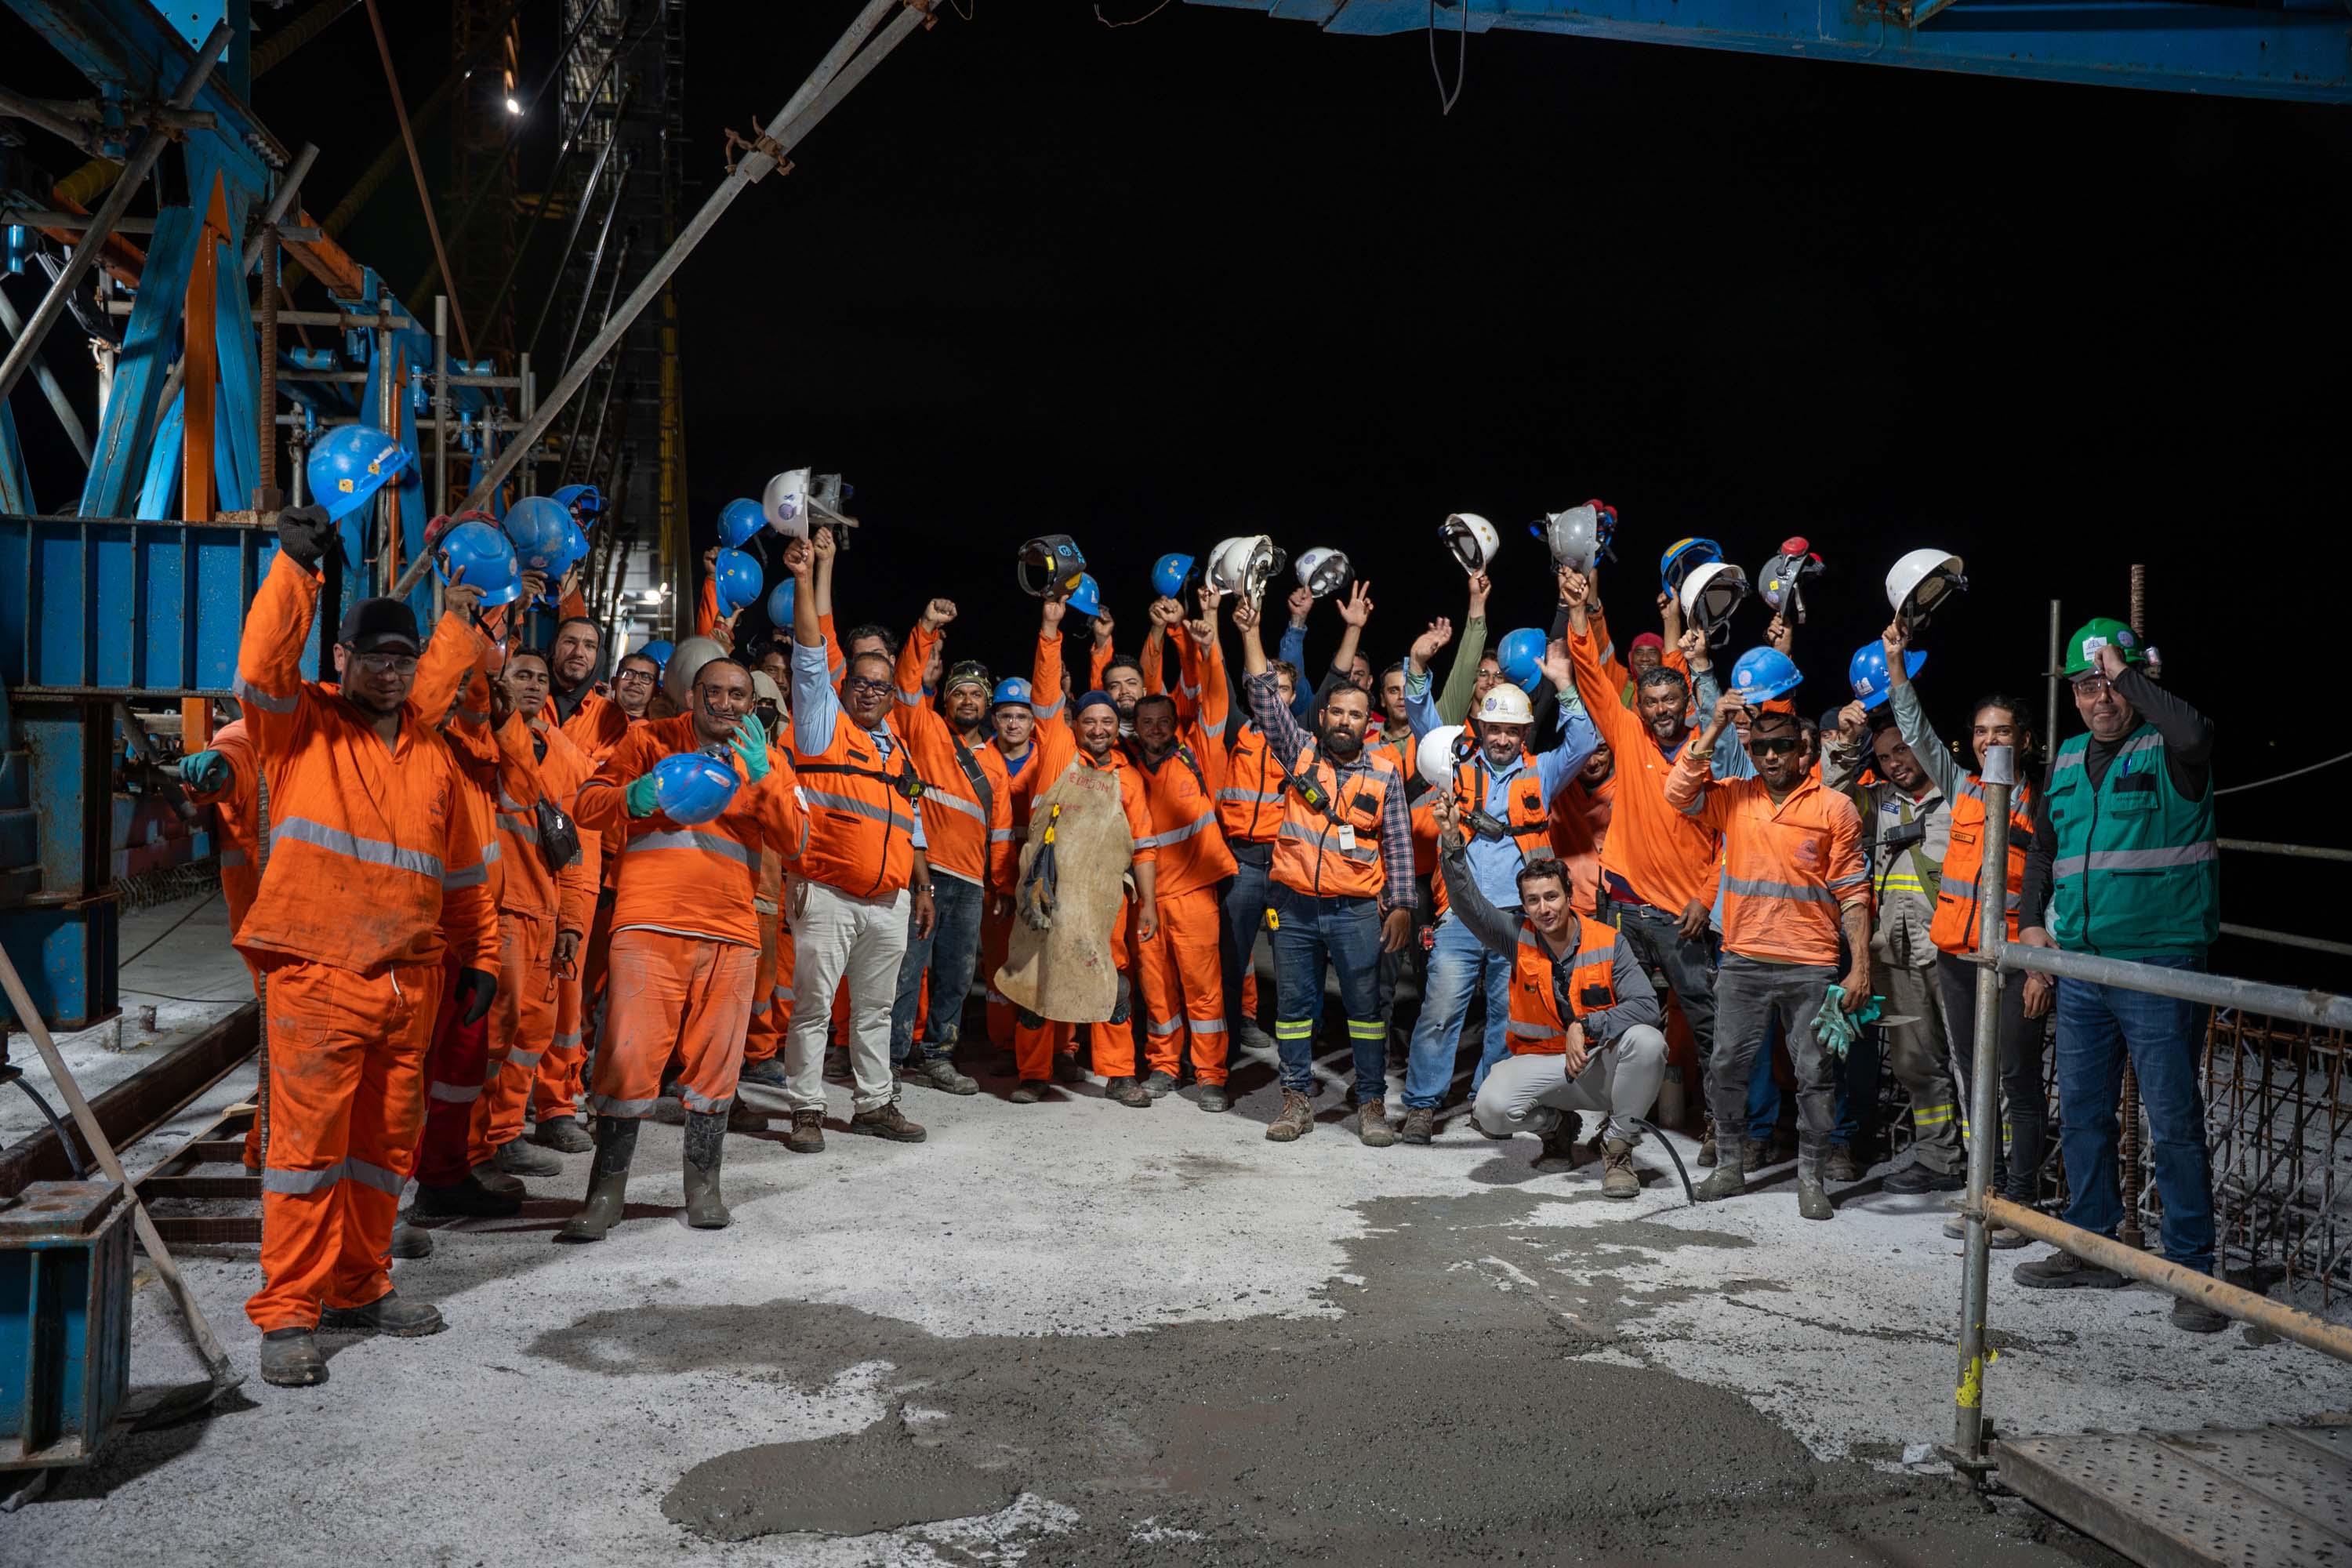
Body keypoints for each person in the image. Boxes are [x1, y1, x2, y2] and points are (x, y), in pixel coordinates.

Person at [231, 506, 499, 1388]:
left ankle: (359, 1282)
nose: (389, 671)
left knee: (383, 1148)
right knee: (305, 1156)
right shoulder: (299, 725)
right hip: (318, 970)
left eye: (402, 658)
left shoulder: (433, 755)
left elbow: (462, 873)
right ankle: (288, 1313)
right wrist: (293, 571)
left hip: (407, 982)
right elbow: (261, 665)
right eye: (374, 656)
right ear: (342, 660)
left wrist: (480, 959)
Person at [2010, 619, 2223, 1334]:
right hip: (2082, 967)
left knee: (2172, 1120)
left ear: (2133, 682)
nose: (2098, 697)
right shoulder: (2068, 759)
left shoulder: (2170, 748)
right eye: (2085, 684)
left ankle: (2195, 1273)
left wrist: (2128, 670)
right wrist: (2032, 924)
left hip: (2161, 965)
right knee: (2086, 1113)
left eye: (2108, 682)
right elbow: (2043, 853)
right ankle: (2091, 1243)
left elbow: (2198, 734)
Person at [563, 650, 805, 1238]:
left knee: (717, 1065)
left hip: (729, 932)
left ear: (752, 705)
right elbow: (587, 806)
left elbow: (796, 840)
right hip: (649, 924)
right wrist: (633, 798)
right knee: (627, 1057)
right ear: (693, 697)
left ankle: (704, 1188)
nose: (725, 704)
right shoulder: (648, 742)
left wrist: (767, 776)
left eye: (738, 696)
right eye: (714, 692)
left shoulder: (765, 760)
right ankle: (605, 1196)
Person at [1668, 692, 1870, 1221]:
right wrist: (1713, 725)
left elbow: (1853, 891)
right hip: (1743, 961)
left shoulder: (1835, 807)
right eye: (1761, 748)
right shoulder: (1735, 797)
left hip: (1810, 965)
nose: (1771, 757)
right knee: (1726, 1067)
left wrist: (1860, 967)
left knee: (1815, 1074)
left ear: (1805, 749)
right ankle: (1730, 1166)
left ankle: (1811, 1176)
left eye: (1782, 746)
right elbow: (1678, 792)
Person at [1396, 631, 1601, 1144]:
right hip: (1463, 916)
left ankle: (1488, 1101)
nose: (1504, 738)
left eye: (1514, 730)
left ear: (1525, 732)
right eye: (1496, 728)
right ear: (1481, 726)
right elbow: (1423, 724)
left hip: (1521, 920)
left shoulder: (1543, 772)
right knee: (1441, 1011)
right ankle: (1422, 1106)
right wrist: (1418, 666)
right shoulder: (1455, 767)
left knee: (1508, 1019)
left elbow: (1586, 739)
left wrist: (1564, 685)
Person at [1881, 623, 2044, 1246]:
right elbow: (1918, 734)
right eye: (1981, 731)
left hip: (2013, 960)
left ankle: (2022, 1204)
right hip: (1959, 957)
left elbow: (2047, 890)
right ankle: (1988, 1195)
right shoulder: (1965, 788)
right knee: (1976, 1079)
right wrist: (1898, 668)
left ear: (2023, 740)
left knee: (2017, 1082)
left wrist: (2037, 968)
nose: (1990, 740)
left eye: (2002, 731)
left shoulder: (2044, 799)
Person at [1234, 590, 1415, 1145]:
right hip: (1293, 907)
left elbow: (1399, 845)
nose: (1343, 719)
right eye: (1336, 710)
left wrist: (1403, 905)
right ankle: (1296, 1100)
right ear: (1325, 715)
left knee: (1364, 1010)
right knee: (1292, 1009)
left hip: (1357, 910)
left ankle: (1371, 1104)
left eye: (1355, 714)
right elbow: (1266, 700)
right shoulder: (1301, 753)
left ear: (1369, 722)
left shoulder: (1384, 775)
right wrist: (1249, 633)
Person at [1561, 570, 1725, 1156]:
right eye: (1650, 699)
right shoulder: (1626, 733)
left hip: (1684, 916)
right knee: (1609, 1016)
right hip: (1623, 910)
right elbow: (1589, 675)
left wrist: (1705, 898)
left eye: (1669, 699)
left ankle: (1719, 1129)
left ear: (1685, 701)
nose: (1659, 709)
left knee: (1708, 1027)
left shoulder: (1706, 748)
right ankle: (1608, 1123)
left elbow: (1728, 837)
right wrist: (1580, 612)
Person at [779, 531, 932, 1152]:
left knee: (875, 1011)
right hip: (830, 893)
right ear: (845, 688)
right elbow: (811, 654)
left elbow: (912, 818)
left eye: (881, 686)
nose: (870, 691)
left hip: (889, 898)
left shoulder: (895, 745)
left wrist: (920, 888)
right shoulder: (821, 726)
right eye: (861, 682)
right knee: (813, 1008)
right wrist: (808, 574)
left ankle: (873, 1103)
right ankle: (806, 1109)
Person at [1430, 795, 1667, 1197]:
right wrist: (1452, 842)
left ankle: (1618, 1147)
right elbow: (1469, 906)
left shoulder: (1608, 942)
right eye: (1533, 901)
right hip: (1542, 1068)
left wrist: (1587, 1025)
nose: (1544, 908)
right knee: (1490, 1110)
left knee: (1648, 1042)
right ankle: (1558, 1129)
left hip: (1596, 1067)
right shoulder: (1518, 936)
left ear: (1569, 896)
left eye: (1552, 897)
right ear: (1524, 906)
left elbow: (1646, 1006)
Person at [1012, 593, 1162, 1104]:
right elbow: (1047, 693)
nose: (1097, 728)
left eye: (1105, 722)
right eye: (1088, 721)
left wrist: (1149, 903)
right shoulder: (1056, 752)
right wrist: (1050, 630)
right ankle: (1035, 1073)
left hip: (1103, 901)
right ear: (1074, 726)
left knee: (1109, 981)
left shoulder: (1128, 777)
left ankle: (1119, 1072)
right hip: (1047, 890)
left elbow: (1142, 846)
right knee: (1037, 976)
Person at [1821, 696, 1966, 1198]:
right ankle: (1938, 1158)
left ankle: (2000, 1172)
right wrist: (1846, 744)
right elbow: (1827, 794)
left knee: (1974, 1062)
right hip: (1896, 953)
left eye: (1903, 749)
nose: (1897, 762)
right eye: (1885, 756)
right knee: (1913, 1062)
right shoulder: (1879, 801)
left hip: (1958, 950)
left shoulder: (1960, 793)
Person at [466, 648, 600, 1182]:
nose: (535, 685)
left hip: (542, 912)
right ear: (499, 683)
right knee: (491, 1038)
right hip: (497, 911)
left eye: (542, 679)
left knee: (531, 1035)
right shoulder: (478, 743)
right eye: (522, 675)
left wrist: (569, 920)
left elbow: (571, 840)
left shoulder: (559, 753)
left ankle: (503, 1137)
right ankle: (472, 1148)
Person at [887, 604, 1015, 1094]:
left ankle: (939, 1056)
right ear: (945, 700)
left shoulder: (997, 766)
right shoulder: (925, 729)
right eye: (959, 692)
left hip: (968, 884)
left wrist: (1000, 883)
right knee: (907, 971)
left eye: (976, 695)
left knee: (956, 976)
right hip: (922, 874)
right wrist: (924, 628)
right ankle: (894, 1062)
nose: (967, 701)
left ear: (986, 706)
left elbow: (1000, 833)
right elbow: (905, 680)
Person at [1127, 590, 1239, 1108]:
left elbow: (1210, 690)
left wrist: (1191, 638)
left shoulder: (1200, 754)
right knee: (1156, 988)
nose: (1154, 729)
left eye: (1163, 721)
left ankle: (1211, 1075)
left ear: (1175, 724)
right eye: (1146, 722)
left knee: (1203, 988)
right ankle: (1164, 1067)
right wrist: (1160, 635)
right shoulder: (1127, 766)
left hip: (1194, 894)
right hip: (1145, 897)